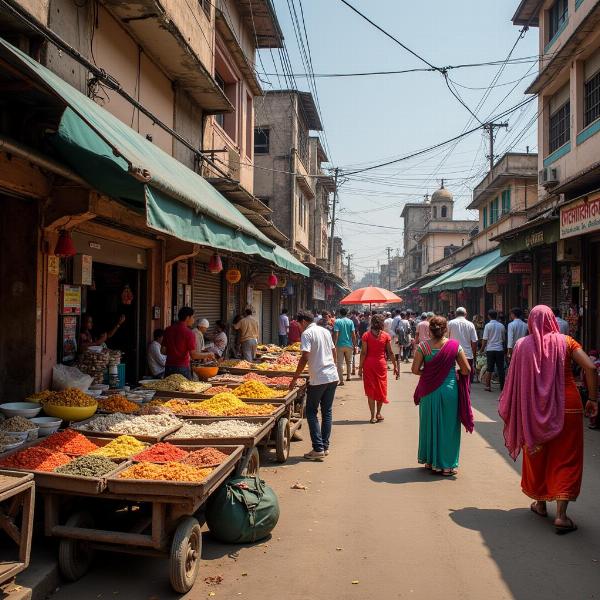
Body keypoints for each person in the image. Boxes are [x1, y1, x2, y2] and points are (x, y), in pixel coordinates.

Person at [499, 305, 598, 534]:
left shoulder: (522, 345)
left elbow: (514, 380)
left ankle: (540, 503)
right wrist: (593, 399)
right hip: (568, 406)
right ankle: (562, 516)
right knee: (567, 457)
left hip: (533, 408)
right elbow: (591, 368)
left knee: (537, 454)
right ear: (553, 320)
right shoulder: (567, 342)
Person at [412, 316, 472, 476]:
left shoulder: (423, 347)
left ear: (430, 330)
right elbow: (466, 369)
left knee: (429, 424)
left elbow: (415, 369)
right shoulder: (454, 346)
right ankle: (447, 466)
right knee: (448, 427)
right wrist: (453, 373)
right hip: (449, 390)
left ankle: (431, 462)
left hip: (428, 391)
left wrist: (430, 373)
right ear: (445, 329)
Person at [289, 310, 339, 461]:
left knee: (311, 412)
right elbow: (333, 350)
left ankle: (318, 448)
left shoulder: (307, 334)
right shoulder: (324, 331)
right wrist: (333, 366)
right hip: (332, 376)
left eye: (298, 323)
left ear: (303, 321)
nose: (299, 327)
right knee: (327, 412)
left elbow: (304, 357)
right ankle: (324, 446)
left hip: (319, 378)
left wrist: (294, 378)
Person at [359, 314, 398, 423]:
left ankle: (372, 416)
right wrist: (395, 366)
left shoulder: (366, 335)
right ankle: (378, 413)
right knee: (380, 388)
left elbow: (363, 353)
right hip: (381, 365)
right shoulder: (385, 336)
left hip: (369, 364)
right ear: (382, 324)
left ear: (372, 323)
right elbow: (390, 352)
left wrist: (360, 367)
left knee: (371, 390)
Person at [162, 307, 214, 379]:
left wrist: (174, 352)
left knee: (168, 388)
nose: (193, 320)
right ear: (187, 317)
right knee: (186, 389)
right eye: (192, 317)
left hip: (169, 366)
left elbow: (163, 351)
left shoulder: (168, 330)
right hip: (182, 367)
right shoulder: (189, 333)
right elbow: (194, 355)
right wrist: (208, 354)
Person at [448, 307, 478, 382]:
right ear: (466, 314)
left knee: (453, 378)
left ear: (455, 314)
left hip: (453, 354)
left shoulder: (450, 323)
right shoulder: (470, 324)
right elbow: (474, 341)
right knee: (466, 380)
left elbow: (446, 339)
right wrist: (474, 355)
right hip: (467, 355)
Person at [481, 309, 506, 392]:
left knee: (489, 368)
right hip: (499, 349)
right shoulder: (501, 326)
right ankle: (502, 387)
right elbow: (503, 339)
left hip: (490, 349)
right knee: (501, 369)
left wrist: (481, 349)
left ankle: (488, 386)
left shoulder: (488, 326)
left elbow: (485, 339)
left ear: (488, 316)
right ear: (497, 316)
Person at [333, 308, 357, 385]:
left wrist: (334, 345)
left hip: (339, 345)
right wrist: (354, 345)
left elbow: (336, 334)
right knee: (349, 362)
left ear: (340, 313)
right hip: (349, 345)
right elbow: (353, 334)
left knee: (339, 363)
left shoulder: (337, 321)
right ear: (347, 313)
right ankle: (348, 377)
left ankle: (341, 380)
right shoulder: (350, 321)